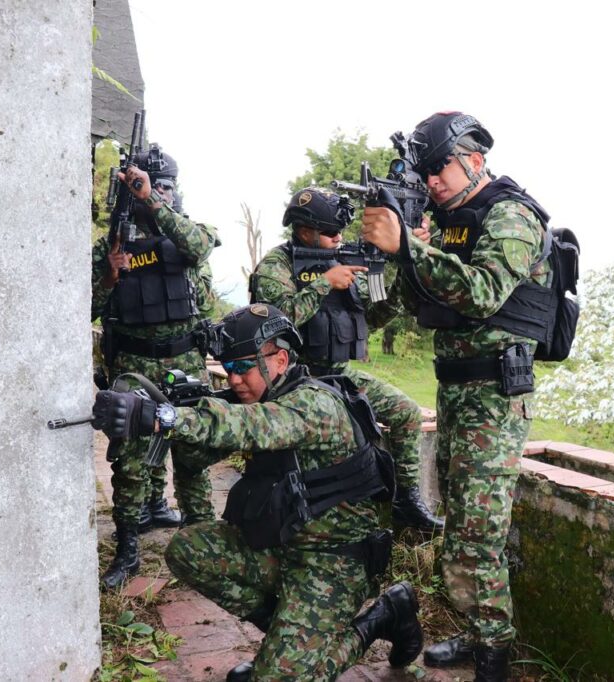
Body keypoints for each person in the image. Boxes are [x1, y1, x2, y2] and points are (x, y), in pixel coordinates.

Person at [89, 304, 424, 681]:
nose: (232, 380)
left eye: (241, 368)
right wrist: (175, 412)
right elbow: (201, 455)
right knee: (187, 549)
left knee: (278, 678)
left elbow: (250, 426)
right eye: (227, 369)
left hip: (336, 560)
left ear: (279, 360)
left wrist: (163, 417)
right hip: (283, 546)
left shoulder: (314, 404)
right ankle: (289, 637)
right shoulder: (263, 397)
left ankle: (381, 618)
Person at [361, 112, 551, 682]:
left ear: (474, 157)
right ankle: (477, 632)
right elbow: (407, 307)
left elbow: (485, 291)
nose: (432, 181)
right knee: (461, 520)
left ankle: (495, 657)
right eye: (425, 172)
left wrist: (411, 250)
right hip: (458, 391)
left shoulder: (511, 215)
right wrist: (402, 254)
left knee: (479, 531)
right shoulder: (450, 223)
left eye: (438, 167)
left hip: (495, 394)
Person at [248, 187, 444, 533]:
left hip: (339, 376)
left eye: (340, 231)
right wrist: (323, 284)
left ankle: (406, 502)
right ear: (304, 229)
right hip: (293, 380)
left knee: (407, 413)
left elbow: (374, 317)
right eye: (330, 233)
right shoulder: (276, 267)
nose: (338, 238)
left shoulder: (345, 258)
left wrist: (404, 264)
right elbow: (278, 324)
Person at [91, 145, 219, 590]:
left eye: (162, 187)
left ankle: (203, 543)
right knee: (129, 462)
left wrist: (151, 202)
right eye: (145, 187)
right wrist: (109, 276)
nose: (155, 193)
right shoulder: (113, 244)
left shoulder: (184, 231)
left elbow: (200, 246)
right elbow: (84, 306)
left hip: (184, 358)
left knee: (193, 453)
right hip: (133, 362)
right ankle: (128, 549)